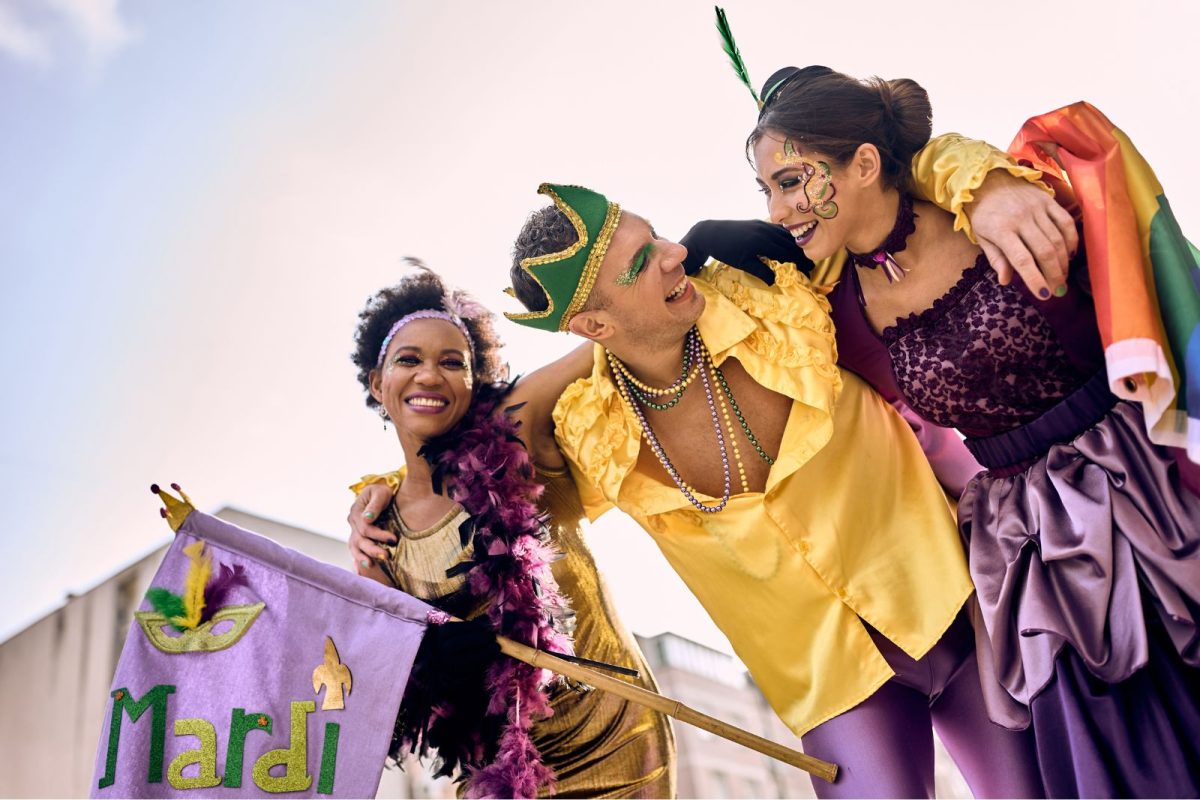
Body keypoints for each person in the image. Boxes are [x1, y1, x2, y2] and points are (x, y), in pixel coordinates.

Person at [492, 181, 1048, 799]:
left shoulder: (771, 289)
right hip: (833, 690)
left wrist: (990, 186)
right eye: (641, 262)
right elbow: (481, 438)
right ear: (591, 322)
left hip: (957, 606)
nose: (676, 252)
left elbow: (882, 192)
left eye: (655, 236)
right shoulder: (594, 428)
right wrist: (602, 352)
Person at [733, 65, 1200, 797]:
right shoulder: (833, 316)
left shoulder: (1001, 199)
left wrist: (976, 176)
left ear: (863, 163)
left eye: (792, 180)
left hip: (1147, 493)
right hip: (1027, 551)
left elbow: (1109, 204)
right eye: (766, 189)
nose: (779, 207)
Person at [347, 266, 675, 798]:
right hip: (499, 772)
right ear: (377, 383)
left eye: (452, 362)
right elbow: (400, 681)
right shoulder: (378, 531)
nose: (430, 376)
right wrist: (437, 658)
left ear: (474, 382)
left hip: (615, 739)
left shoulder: (515, 436)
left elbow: (606, 342)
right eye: (409, 359)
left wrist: (676, 262)